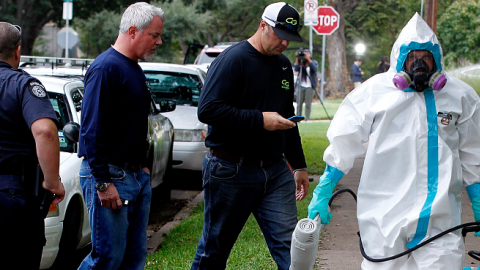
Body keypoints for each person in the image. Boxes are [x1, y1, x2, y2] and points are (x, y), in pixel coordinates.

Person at [307, 13, 480, 270]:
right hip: (384, 213)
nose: (418, 64)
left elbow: (472, 151)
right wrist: (324, 188)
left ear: (437, 60)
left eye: (426, 58)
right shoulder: (373, 92)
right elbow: (345, 140)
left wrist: (477, 197)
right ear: (400, 59)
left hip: (441, 217)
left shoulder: (460, 95)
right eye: (412, 57)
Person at [192, 2, 310, 270]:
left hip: (275, 170)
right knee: (215, 248)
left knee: (293, 248)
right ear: (262, 26)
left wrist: (299, 164)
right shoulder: (233, 60)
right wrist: (260, 120)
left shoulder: (282, 66)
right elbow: (208, 109)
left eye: (289, 39)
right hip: (231, 168)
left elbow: (287, 117)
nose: (284, 43)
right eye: (279, 35)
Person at [77, 2, 165, 270]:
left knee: (133, 259)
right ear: (133, 31)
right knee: (106, 259)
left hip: (136, 176)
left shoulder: (133, 68)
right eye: (154, 35)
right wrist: (103, 182)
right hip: (111, 176)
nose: (159, 42)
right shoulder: (106, 68)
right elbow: (92, 129)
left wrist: (144, 169)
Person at [0, 22, 65, 269]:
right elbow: (46, 131)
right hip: (12, 195)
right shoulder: (22, 85)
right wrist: (52, 182)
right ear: (17, 51)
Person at [294, 48, 318, 121]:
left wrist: (308, 59)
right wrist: (297, 57)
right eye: (305, 54)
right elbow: (296, 68)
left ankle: (307, 119)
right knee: (299, 103)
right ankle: (298, 118)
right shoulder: (302, 63)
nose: (306, 55)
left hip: (310, 86)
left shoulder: (314, 62)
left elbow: (314, 68)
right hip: (301, 85)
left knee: (308, 104)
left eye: (308, 54)